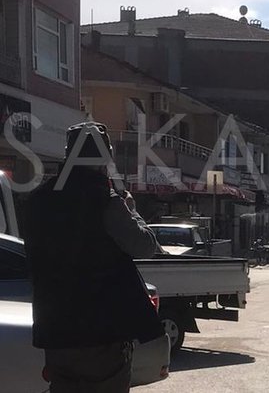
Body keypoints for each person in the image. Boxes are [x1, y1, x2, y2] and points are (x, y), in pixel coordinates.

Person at [25, 122, 165, 392]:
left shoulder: (38, 200)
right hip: (100, 336)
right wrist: (130, 209)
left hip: (54, 333)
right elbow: (145, 246)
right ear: (105, 157)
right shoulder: (105, 201)